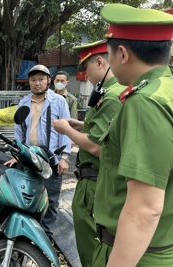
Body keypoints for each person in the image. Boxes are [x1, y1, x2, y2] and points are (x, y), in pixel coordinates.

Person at [92, 4, 173, 267]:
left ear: (123, 54)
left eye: (109, 54)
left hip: (137, 255)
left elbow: (144, 210)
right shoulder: (165, 91)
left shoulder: (145, 102)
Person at [52, 40, 124, 267]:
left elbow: (97, 146)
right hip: (92, 181)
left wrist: (65, 130)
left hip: (95, 184)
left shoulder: (112, 97)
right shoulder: (110, 93)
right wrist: (81, 125)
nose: (86, 75)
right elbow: (104, 132)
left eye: (87, 69)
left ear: (100, 62)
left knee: (92, 250)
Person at [4, 64, 71, 238]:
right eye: (33, 80)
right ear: (29, 83)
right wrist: (16, 155)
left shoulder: (58, 101)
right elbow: (19, 132)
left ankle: (45, 237)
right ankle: (26, 236)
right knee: (27, 197)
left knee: (51, 200)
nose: (37, 83)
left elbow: (66, 129)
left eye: (41, 79)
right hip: (29, 158)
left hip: (51, 159)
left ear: (48, 81)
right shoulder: (24, 102)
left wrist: (64, 157)